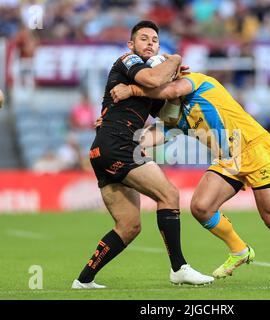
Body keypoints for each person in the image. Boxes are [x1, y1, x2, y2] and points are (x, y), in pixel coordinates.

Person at [109, 68, 270, 285]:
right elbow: (153, 135)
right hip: (229, 159)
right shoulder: (175, 115)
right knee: (201, 207)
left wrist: (132, 90)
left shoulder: (196, 82)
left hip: (255, 148)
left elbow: (173, 89)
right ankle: (240, 250)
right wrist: (116, 136)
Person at [71, 21, 213, 289]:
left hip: (105, 148)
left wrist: (173, 82)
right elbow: (152, 79)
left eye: (155, 40)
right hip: (118, 144)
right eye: (144, 38)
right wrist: (176, 59)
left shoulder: (151, 82)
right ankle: (179, 267)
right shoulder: (127, 60)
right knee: (169, 195)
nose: (150, 43)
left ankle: (84, 280)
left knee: (128, 226)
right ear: (131, 45)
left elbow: (168, 117)